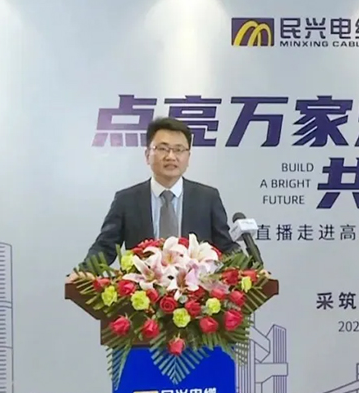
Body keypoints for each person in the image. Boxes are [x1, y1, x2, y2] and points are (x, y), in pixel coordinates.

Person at [67, 117, 237, 282]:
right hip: (142, 294)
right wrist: (86, 271)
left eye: (178, 150)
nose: (171, 156)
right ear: (147, 154)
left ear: (188, 157)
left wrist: (249, 269)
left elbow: (225, 246)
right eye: (163, 148)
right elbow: (105, 246)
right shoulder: (126, 200)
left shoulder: (207, 198)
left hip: (197, 294)